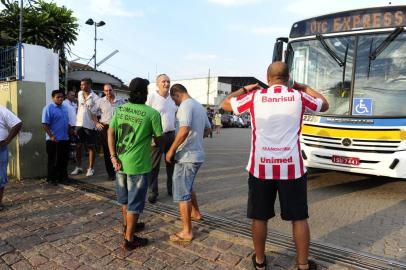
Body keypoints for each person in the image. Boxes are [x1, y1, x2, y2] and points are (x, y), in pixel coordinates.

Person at [221, 62, 329, 270]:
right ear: (288, 78)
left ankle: (260, 262)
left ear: (267, 78)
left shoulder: (255, 97)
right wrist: (303, 87)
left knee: (259, 217)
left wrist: (245, 89)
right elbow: (323, 104)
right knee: (299, 218)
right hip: (292, 168)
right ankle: (303, 265)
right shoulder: (298, 96)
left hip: (261, 168)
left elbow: (225, 103)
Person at [108, 77, 164, 251]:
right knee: (135, 204)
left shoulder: (121, 109)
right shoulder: (152, 114)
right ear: (144, 93)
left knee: (125, 201)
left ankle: (128, 227)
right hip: (139, 166)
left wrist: (113, 157)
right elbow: (160, 140)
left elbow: (110, 132)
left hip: (120, 164)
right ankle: (130, 239)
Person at [165, 84, 211, 242]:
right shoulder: (198, 105)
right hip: (197, 155)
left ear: (176, 94)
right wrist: (196, 139)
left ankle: (187, 231)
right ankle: (196, 213)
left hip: (186, 157)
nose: (175, 103)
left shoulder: (185, 106)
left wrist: (171, 151)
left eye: (174, 100)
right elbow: (208, 129)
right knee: (188, 186)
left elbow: (184, 130)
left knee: (182, 192)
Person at [145, 74, 177, 203]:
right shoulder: (151, 97)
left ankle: (171, 189)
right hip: (156, 136)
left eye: (168, 81)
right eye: (163, 81)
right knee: (154, 166)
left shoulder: (172, 98)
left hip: (171, 135)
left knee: (171, 164)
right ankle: (153, 192)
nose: (166, 84)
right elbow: (146, 117)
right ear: (157, 84)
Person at [94, 84, 125, 181]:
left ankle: (120, 170)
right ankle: (110, 174)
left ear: (113, 90)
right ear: (104, 91)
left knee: (120, 149)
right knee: (107, 151)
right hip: (106, 127)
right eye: (106, 91)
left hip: (118, 127)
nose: (108, 92)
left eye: (110, 90)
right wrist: (96, 123)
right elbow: (92, 112)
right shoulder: (100, 101)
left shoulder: (121, 101)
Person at [71, 78, 100, 177]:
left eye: (84, 85)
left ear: (89, 85)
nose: (82, 87)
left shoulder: (95, 98)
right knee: (78, 146)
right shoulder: (79, 93)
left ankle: (90, 168)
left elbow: (98, 112)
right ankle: (78, 167)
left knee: (91, 147)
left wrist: (96, 122)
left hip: (90, 125)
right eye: (81, 85)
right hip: (79, 124)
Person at [42, 90, 71, 185]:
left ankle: (63, 177)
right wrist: (51, 136)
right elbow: (45, 124)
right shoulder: (48, 108)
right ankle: (52, 179)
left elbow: (66, 122)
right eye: (58, 97)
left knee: (63, 160)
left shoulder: (64, 108)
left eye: (62, 97)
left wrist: (71, 131)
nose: (60, 99)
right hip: (53, 140)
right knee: (53, 160)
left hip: (65, 138)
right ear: (53, 97)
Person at [0, 105, 22, 211]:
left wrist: (8, 140)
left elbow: (17, 123)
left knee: (0, 177)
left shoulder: (1, 110)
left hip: (0, 148)